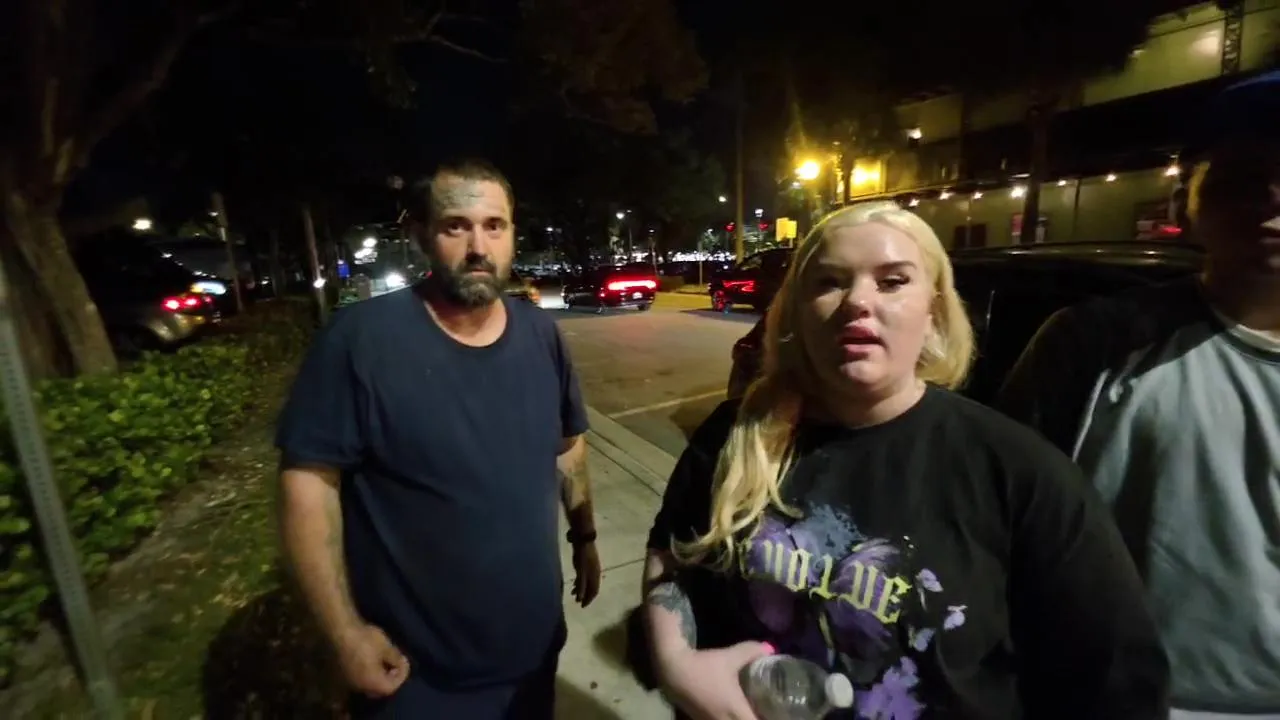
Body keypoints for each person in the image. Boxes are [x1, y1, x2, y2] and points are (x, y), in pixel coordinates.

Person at [642, 200, 1170, 719]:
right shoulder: (736, 435)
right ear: (797, 313)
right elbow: (672, 555)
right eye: (829, 282)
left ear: (934, 311)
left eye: (892, 281)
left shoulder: (1018, 472)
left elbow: (1116, 683)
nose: (857, 301)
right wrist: (674, 662)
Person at [997, 71, 1280, 719]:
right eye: (1244, 177)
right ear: (1185, 204)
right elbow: (1000, 529)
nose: (1272, 197)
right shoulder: (1092, 346)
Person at [275, 158, 602, 719]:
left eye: (494, 226)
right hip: (417, 677)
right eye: (456, 226)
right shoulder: (360, 342)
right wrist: (344, 634)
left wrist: (585, 536)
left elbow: (568, 444)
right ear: (421, 235)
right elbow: (307, 484)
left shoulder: (541, 335)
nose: (479, 247)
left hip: (533, 654)